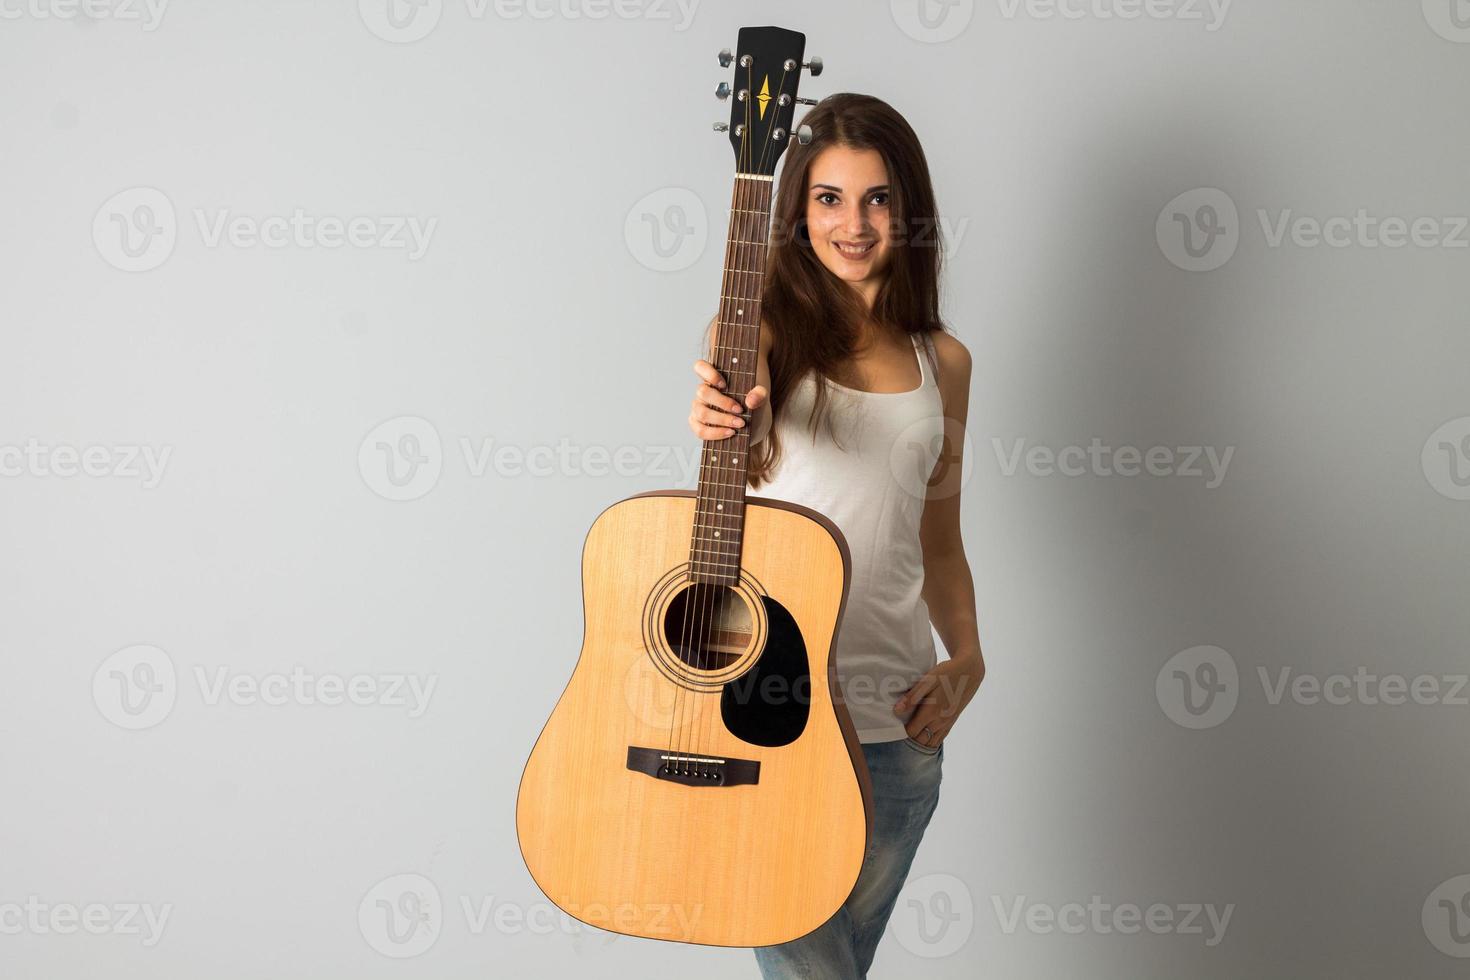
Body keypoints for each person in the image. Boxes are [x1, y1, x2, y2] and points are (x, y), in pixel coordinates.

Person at [687, 92, 987, 979]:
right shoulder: (761, 334)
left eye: (877, 199)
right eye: (828, 198)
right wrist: (719, 414)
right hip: (769, 718)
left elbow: (940, 541)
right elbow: (730, 421)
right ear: (798, 212)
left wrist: (968, 656)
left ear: (910, 210)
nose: (852, 225)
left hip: (898, 724)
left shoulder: (946, 363)